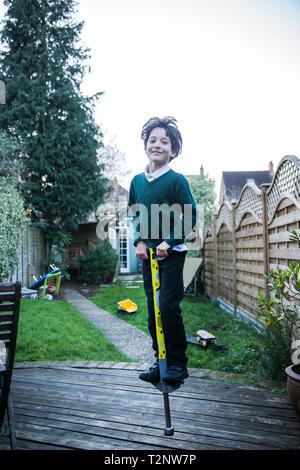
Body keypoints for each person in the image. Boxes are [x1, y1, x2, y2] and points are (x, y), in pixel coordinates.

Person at [128, 116, 197, 385]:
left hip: (172, 255)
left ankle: (177, 364)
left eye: (164, 142)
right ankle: (161, 360)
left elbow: (190, 215)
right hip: (149, 257)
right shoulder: (136, 181)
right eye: (153, 140)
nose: (158, 145)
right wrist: (139, 241)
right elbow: (133, 214)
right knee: (152, 309)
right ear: (146, 145)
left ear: (173, 150)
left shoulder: (176, 180)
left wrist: (169, 240)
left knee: (167, 307)